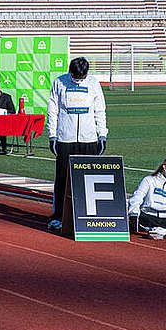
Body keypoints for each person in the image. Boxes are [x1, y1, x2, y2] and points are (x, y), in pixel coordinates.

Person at [46, 56, 108, 232]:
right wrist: (52, 135)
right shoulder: (59, 82)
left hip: (88, 138)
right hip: (66, 138)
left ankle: (90, 215)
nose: (78, 81)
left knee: (90, 178)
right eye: (75, 77)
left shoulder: (94, 84)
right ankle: (58, 216)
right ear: (70, 72)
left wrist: (102, 134)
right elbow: (53, 110)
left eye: (81, 78)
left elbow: (100, 110)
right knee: (62, 180)